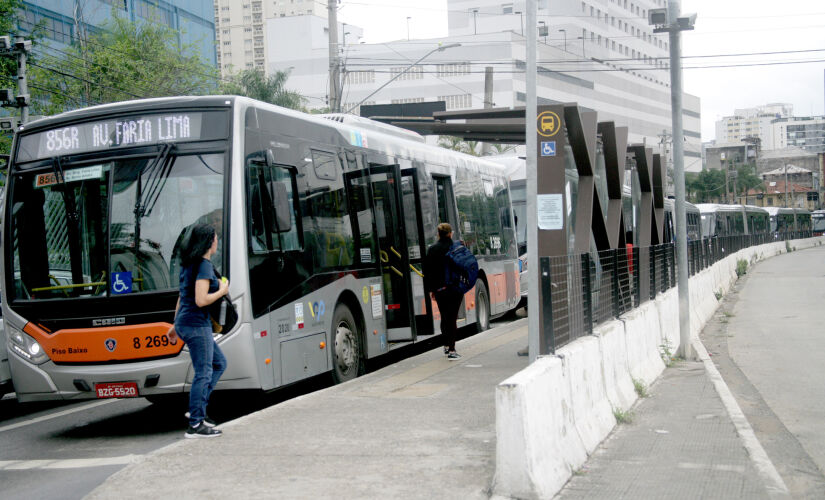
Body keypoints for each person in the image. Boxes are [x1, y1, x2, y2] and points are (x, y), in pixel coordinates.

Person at [172, 223, 229, 438]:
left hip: (186, 323)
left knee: (219, 363)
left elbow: (182, 296)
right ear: (208, 242)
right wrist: (222, 290)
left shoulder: (189, 264)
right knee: (203, 372)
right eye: (215, 238)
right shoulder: (203, 265)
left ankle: (197, 410)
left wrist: (175, 325)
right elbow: (200, 299)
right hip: (197, 325)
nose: (216, 241)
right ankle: (195, 424)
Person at [424, 222, 463, 360]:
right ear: (450, 233)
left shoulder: (432, 249)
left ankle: (446, 345)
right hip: (455, 288)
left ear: (438, 234)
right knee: (452, 318)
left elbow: (428, 271)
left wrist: (431, 290)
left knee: (444, 316)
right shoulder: (457, 247)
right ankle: (452, 350)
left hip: (440, 289)